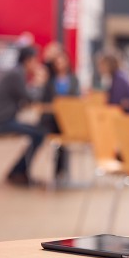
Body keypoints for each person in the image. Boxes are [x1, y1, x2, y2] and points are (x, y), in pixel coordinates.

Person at [0, 46, 47, 186]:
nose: (36, 64)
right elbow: (28, 98)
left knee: (38, 131)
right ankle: (18, 172)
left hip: (4, 119)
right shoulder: (17, 74)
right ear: (27, 60)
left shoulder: (17, 73)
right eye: (35, 61)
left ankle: (19, 171)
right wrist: (39, 83)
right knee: (39, 134)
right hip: (2, 122)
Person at [39, 50, 80, 181]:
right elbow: (45, 101)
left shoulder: (73, 80)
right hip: (52, 119)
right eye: (57, 62)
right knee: (55, 138)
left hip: (68, 119)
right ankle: (58, 172)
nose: (60, 64)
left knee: (64, 139)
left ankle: (62, 171)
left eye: (62, 61)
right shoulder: (50, 81)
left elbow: (76, 99)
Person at [96, 50, 129, 115]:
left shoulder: (119, 79)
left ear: (109, 65)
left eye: (102, 65)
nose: (99, 68)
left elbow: (114, 103)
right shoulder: (117, 77)